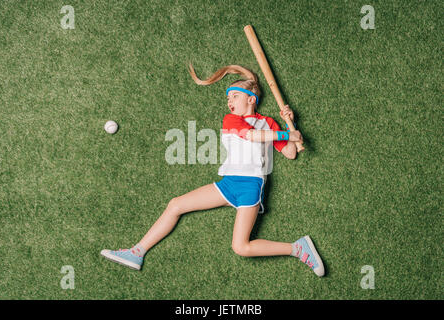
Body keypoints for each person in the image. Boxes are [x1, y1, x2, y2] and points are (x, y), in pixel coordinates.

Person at [101, 64, 325, 277]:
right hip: (228, 183)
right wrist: (287, 134)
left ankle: (298, 248)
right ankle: (136, 252)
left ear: (250, 99)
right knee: (176, 204)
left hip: (250, 186)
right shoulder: (232, 119)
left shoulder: (269, 123)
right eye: (228, 98)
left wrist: (290, 124)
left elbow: (291, 153)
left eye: (234, 96)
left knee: (241, 247)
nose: (229, 101)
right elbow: (251, 135)